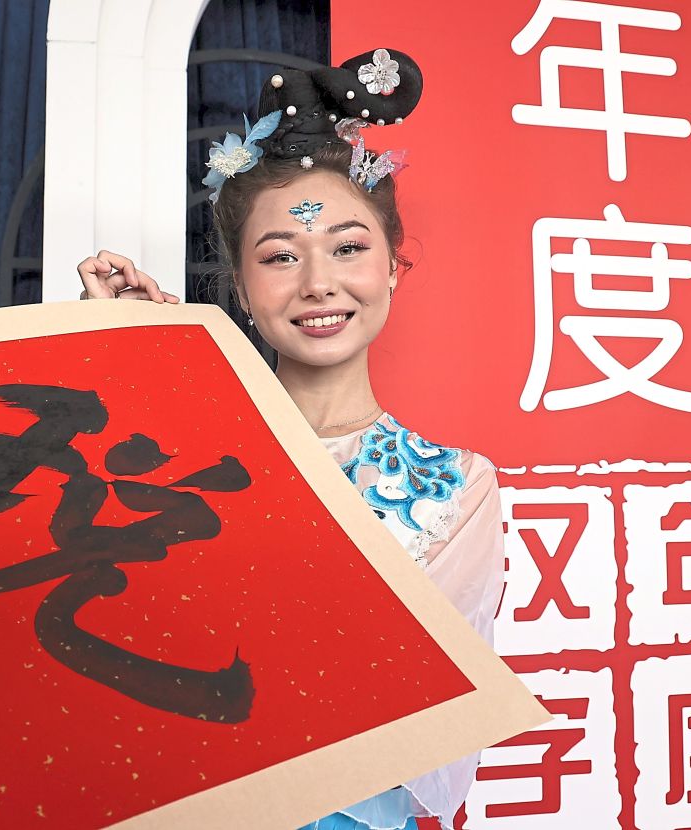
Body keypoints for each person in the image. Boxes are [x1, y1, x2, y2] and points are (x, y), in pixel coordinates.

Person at [75, 48, 504, 830]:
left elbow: (422, 732)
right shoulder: (182, 449)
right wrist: (128, 368)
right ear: (240, 286)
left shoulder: (454, 487)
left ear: (393, 267)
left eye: (348, 247)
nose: (317, 283)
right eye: (280, 257)